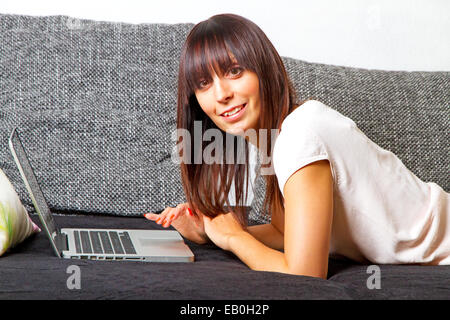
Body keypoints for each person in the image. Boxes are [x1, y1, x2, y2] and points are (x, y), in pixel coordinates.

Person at [144, 13, 450, 279]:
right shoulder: (278, 138)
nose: (221, 93)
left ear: (263, 69)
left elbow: (304, 274)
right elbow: (283, 231)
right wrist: (211, 232)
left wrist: (235, 237)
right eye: (203, 83)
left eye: (234, 71)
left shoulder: (301, 134)